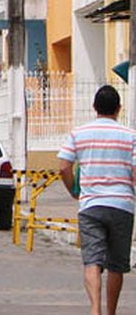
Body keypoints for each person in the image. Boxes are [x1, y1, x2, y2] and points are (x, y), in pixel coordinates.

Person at [58, 84, 136, 315]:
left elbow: (63, 166)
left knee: (92, 260)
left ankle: (95, 309)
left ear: (94, 107)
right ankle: (110, 312)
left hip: (90, 205)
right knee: (116, 265)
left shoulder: (78, 133)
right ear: (119, 108)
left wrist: (74, 190)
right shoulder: (131, 136)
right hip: (122, 206)